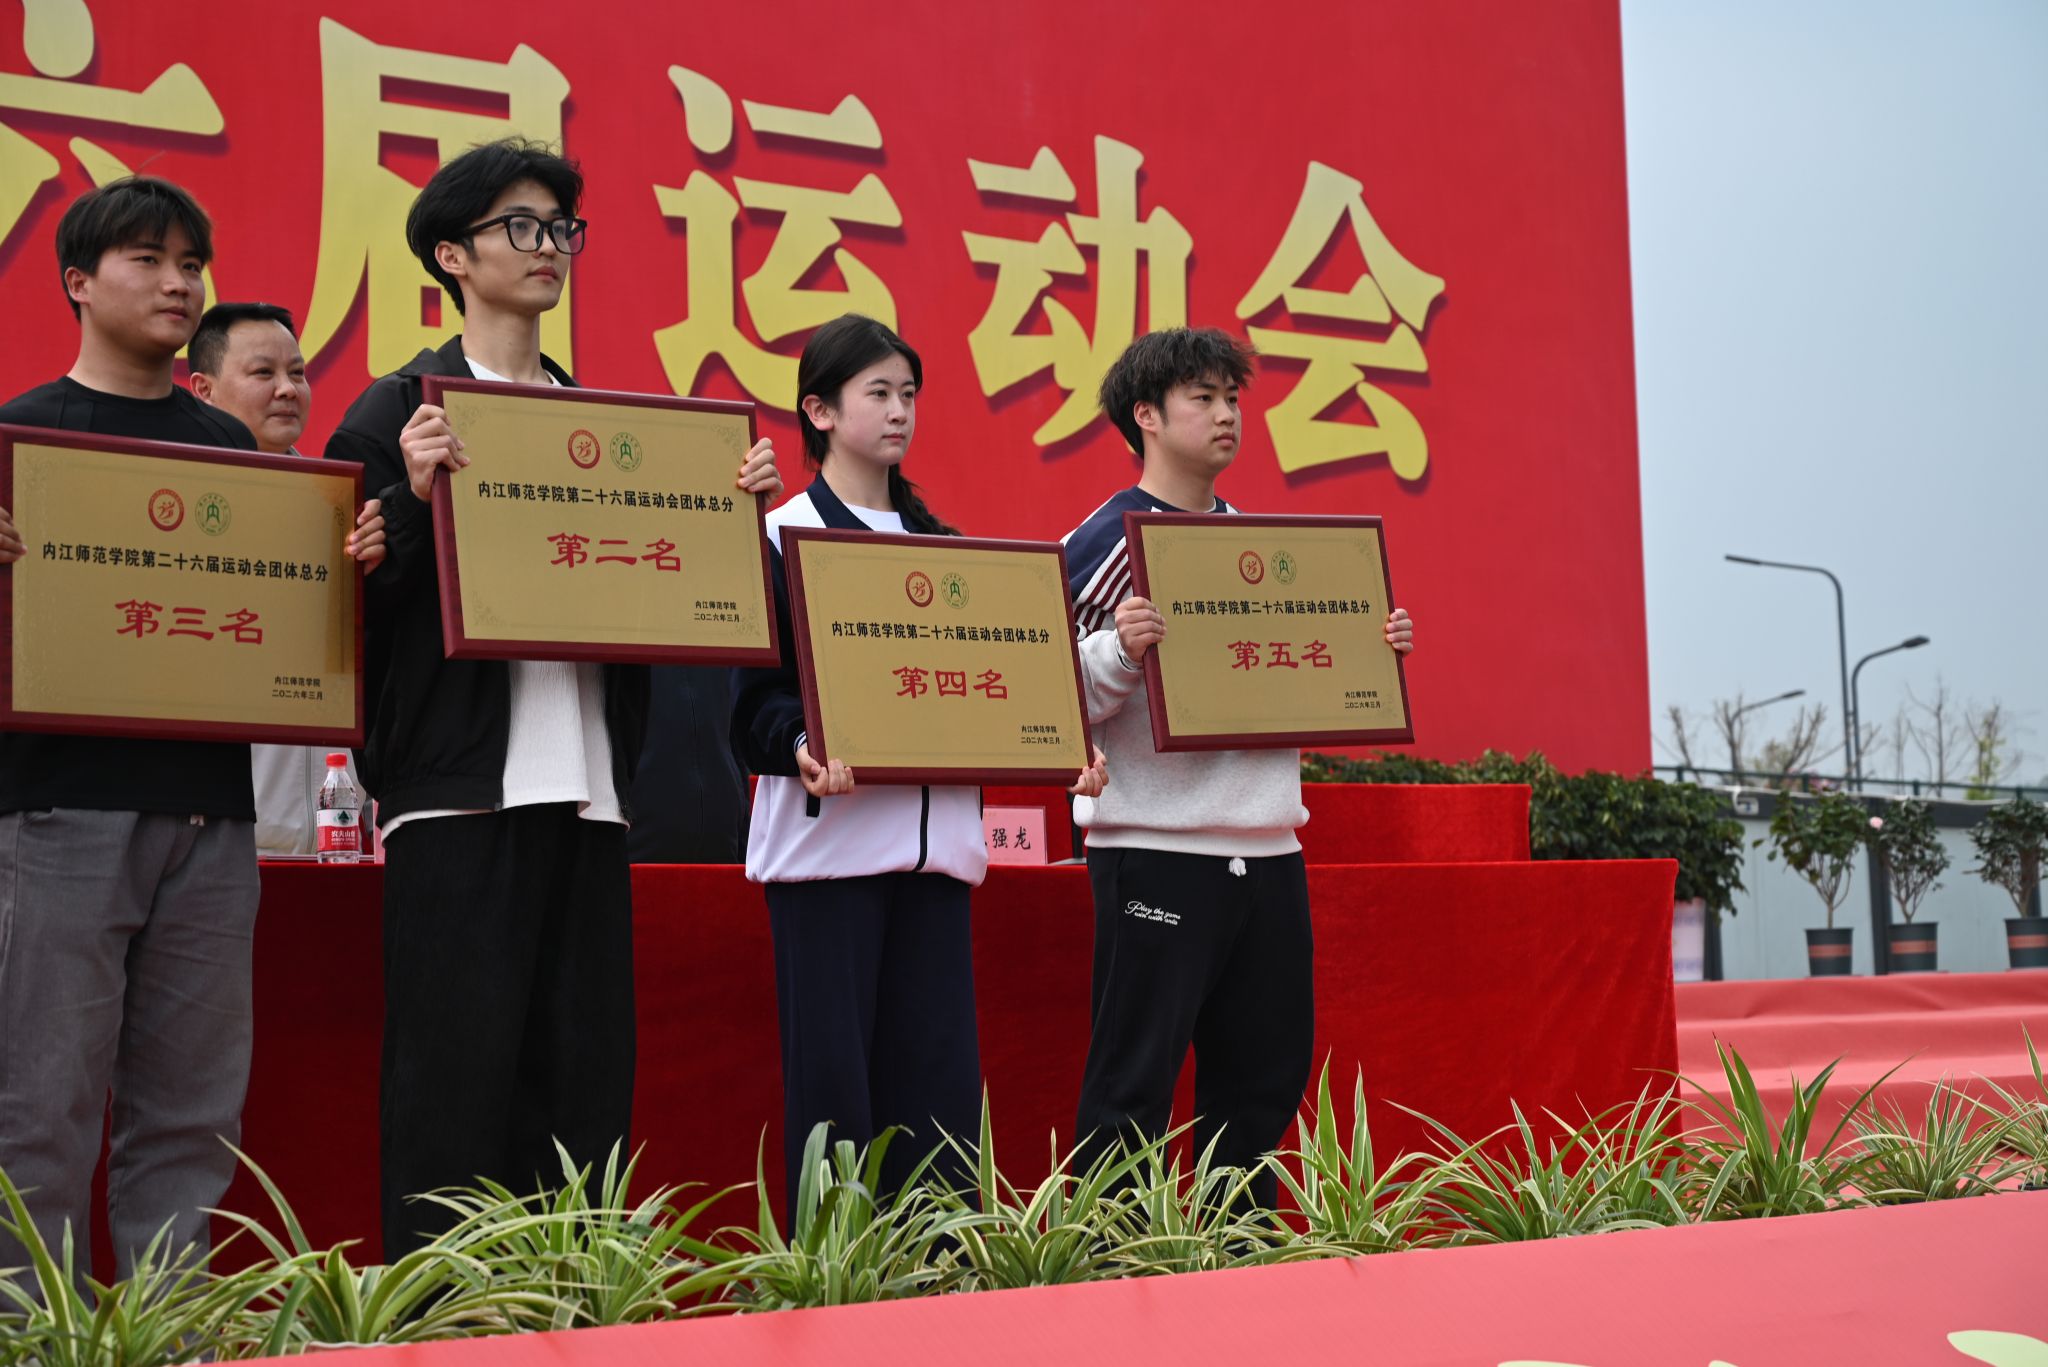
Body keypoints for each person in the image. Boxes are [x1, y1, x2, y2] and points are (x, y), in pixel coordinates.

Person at [323, 138, 780, 1259]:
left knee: (581, 1082)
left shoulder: (611, 432)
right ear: (451, 254)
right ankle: (440, 1317)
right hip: (457, 797)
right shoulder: (393, 416)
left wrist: (727, 518)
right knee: (451, 1084)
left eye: (561, 229)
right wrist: (412, 497)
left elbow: (670, 598)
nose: (549, 248)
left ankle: (571, 1308)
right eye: (520, 227)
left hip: (590, 795)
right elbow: (345, 618)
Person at [0, 176, 365, 1275]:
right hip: (56, 810)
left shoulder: (233, 449)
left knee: (191, 1116)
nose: (177, 283)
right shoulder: (19, 434)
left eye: (190, 264)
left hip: (212, 819)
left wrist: (351, 567)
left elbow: (285, 629)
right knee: (39, 1105)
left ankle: (171, 1326)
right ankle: (34, 1335)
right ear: (78, 282)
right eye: (148, 260)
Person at [730, 313, 1106, 1211]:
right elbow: (751, 704)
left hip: (937, 864)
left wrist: (1064, 747)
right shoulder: (778, 536)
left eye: (909, 394)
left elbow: (990, 692)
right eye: (878, 393)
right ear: (819, 410)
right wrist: (801, 745)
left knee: (937, 1095)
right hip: (827, 861)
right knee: (835, 1096)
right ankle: (834, 1274)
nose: (900, 411)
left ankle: (938, 1276)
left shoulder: (942, 550)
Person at [1061, 327, 1415, 1207]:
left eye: (1233, 399)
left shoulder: (1262, 552)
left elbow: (1297, 672)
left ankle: (1239, 1257)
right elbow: (1047, 695)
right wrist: (1117, 651)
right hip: (1154, 849)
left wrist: (1369, 651)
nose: (1226, 415)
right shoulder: (1102, 541)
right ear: (1146, 415)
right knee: (1132, 1086)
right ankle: (1111, 1259)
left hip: (1269, 852)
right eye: (1203, 398)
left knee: (1262, 1081)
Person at [188, 301, 382, 856]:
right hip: (215, 836)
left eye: (297, 373)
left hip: (338, 838)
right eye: (262, 373)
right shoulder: (176, 514)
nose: (287, 390)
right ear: (203, 389)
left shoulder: (342, 510)